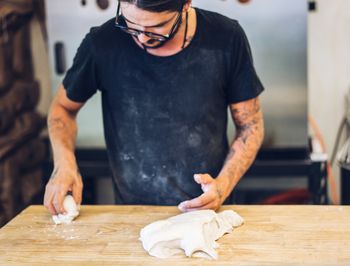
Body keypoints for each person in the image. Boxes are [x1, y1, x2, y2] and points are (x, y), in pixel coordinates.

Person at [44, 0, 264, 215]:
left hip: (210, 212)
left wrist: (222, 186)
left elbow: (251, 126)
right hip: (132, 215)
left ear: (185, 5)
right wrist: (64, 164)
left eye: (157, 28)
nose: (141, 37)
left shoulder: (226, 37)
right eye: (131, 25)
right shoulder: (102, 44)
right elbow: (62, 108)